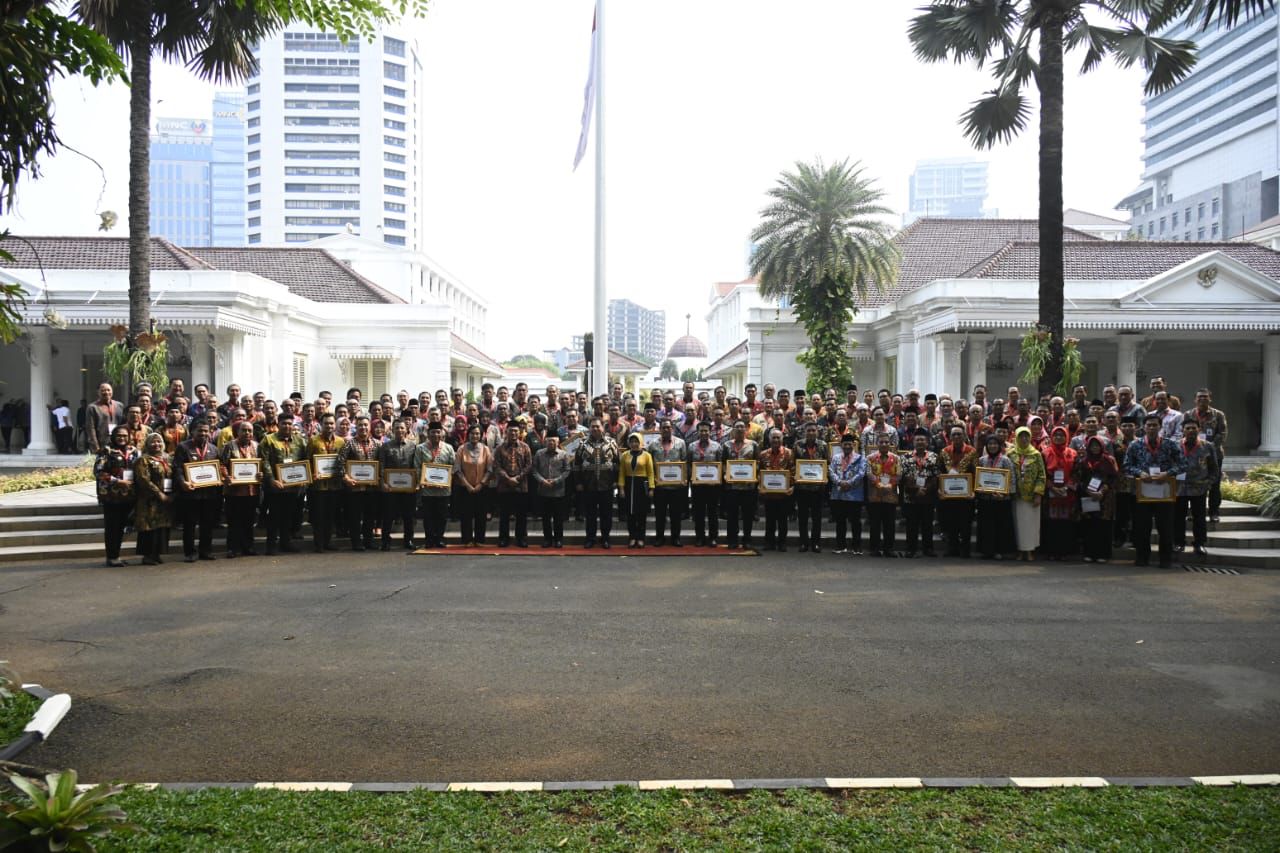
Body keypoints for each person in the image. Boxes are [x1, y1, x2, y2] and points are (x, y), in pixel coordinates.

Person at [1124, 414, 1186, 569]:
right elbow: (1126, 465)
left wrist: (1168, 473)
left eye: (1154, 425)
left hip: (1164, 491)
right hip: (1142, 491)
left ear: (1160, 427)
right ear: (1143, 428)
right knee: (1141, 527)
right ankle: (1142, 557)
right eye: (1149, 425)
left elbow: (1183, 464)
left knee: (1165, 527)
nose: (1151, 428)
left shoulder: (1170, 444)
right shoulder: (1135, 445)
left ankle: (1165, 559)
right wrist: (1139, 473)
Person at [172, 420, 220, 562]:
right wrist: (182, 482)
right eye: (200, 431)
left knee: (207, 523)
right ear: (192, 431)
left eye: (206, 431)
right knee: (190, 524)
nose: (203, 433)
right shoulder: (183, 447)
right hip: (190, 493)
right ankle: (190, 552)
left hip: (209, 493)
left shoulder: (213, 449)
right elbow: (177, 468)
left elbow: (218, 468)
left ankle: (206, 551)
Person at [261, 418, 307, 555]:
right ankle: (271, 546)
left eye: (289, 424)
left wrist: (305, 477)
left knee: (288, 516)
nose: (287, 426)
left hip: (293, 486)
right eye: (284, 423)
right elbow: (265, 461)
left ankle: (285, 543)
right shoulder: (268, 440)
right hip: (275, 487)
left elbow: (305, 459)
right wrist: (272, 480)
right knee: (274, 516)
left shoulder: (300, 440)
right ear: (278, 424)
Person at [94, 425, 137, 567]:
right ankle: (111, 556)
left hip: (129, 496)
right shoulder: (106, 451)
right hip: (111, 496)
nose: (122, 438)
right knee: (112, 527)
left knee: (122, 527)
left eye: (125, 435)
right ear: (113, 436)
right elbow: (98, 472)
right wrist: (117, 481)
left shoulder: (134, 451)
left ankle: (116, 555)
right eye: (119, 435)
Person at [1175, 420, 1217, 558]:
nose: (1191, 430)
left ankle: (1199, 543)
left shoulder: (1208, 446)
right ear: (1183, 430)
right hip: (1179, 488)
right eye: (1188, 428)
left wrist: (1208, 483)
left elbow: (1214, 468)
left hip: (1199, 488)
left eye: (1194, 428)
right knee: (1178, 517)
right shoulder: (1175, 445)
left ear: (1199, 429)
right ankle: (1178, 542)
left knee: (1199, 518)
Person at [1074, 435, 1118, 563]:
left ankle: (1103, 554)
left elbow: (1114, 478)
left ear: (1102, 446)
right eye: (1092, 445)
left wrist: (1102, 491)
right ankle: (1089, 553)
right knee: (1089, 526)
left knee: (1103, 526)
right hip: (1087, 496)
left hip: (1104, 499)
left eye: (1097, 445)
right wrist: (1087, 491)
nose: (1095, 448)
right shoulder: (1083, 461)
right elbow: (1078, 478)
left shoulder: (1109, 460)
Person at [219, 421, 260, 558]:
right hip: (234, 491)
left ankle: (248, 547)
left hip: (252, 490)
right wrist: (226, 476)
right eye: (244, 430)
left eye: (249, 430)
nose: (247, 433)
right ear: (238, 432)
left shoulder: (257, 446)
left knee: (249, 521)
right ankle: (232, 548)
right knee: (234, 521)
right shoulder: (229, 446)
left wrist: (261, 474)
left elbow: (261, 464)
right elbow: (222, 465)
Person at [132, 432, 174, 565]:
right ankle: (147, 555)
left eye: (159, 442)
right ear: (147, 444)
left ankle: (157, 554)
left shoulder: (167, 458)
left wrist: (172, 495)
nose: (157, 444)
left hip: (166, 500)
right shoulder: (143, 460)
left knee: (161, 528)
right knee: (149, 528)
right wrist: (159, 494)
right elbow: (144, 480)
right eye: (153, 442)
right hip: (149, 500)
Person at [376, 419, 418, 551]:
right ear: (392, 430)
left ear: (406, 430)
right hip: (390, 487)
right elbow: (381, 466)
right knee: (388, 515)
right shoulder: (385, 446)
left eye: (402, 428)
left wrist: (416, 484)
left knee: (408, 516)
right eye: (397, 428)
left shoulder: (413, 446)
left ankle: (408, 540)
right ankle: (385, 541)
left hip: (408, 488)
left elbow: (416, 466)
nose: (399, 430)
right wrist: (382, 483)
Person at [1186, 389, 1227, 522]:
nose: (1202, 399)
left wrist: (1208, 449)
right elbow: (1183, 432)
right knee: (1193, 481)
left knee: (1214, 484)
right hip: (1193, 454)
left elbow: (1222, 433)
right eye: (1199, 397)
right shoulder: (1189, 414)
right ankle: (1193, 511)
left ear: (1210, 399)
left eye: (1205, 397)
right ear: (1195, 400)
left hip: (1214, 455)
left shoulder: (1218, 414)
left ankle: (1214, 512)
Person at [306, 413, 346, 552]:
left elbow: (344, 462)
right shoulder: (313, 440)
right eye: (326, 423)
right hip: (318, 486)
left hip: (335, 485)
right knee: (318, 516)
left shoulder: (341, 441)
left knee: (331, 515)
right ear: (321, 425)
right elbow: (307, 460)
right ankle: (319, 544)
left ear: (335, 425)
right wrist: (312, 473)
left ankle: (328, 542)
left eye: (331, 423)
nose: (329, 426)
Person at [338, 415, 379, 551]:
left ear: (369, 427)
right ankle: (356, 542)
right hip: (354, 487)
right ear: (356, 427)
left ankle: (369, 541)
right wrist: (346, 478)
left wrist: (379, 477)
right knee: (354, 517)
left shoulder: (377, 444)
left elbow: (382, 463)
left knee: (370, 516)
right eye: (360, 425)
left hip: (372, 488)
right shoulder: (349, 443)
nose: (363, 427)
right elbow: (340, 462)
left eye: (366, 425)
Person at [975, 433, 1016, 560]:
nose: (992, 446)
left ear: (999, 446)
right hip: (985, 500)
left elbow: (1012, 480)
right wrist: (981, 491)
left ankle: (999, 550)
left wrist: (1004, 493)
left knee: (1000, 526)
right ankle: (986, 550)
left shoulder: (1006, 460)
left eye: (995, 444)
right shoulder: (982, 460)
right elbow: (978, 480)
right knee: (986, 527)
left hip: (1001, 500)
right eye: (990, 444)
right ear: (986, 446)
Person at [718, 421, 759, 550]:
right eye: (737, 427)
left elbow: (757, 463)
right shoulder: (726, 445)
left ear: (746, 430)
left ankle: (747, 539)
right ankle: (732, 540)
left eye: (742, 427)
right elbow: (723, 463)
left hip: (748, 487)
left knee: (747, 515)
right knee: (732, 515)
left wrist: (753, 474)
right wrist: (725, 474)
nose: (740, 429)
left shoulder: (753, 445)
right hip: (732, 487)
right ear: (733, 430)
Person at [937, 426, 977, 558]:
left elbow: (976, 473)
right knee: (951, 522)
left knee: (966, 523)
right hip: (949, 494)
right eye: (953, 435)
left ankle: (965, 549)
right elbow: (940, 472)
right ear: (950, 436)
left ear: (964, 435)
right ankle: (952, 548)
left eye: (959, 434)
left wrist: (974, 491)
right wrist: (940, 489)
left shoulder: (972, 451)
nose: (956, 437)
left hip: (966, 495)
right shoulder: (944, 452)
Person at [899, 429, 939, 557]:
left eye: (923, 440)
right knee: (911, 524)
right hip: (911, 496)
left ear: (927, 442)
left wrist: (926, 489)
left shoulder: (934, 457)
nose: (920, 442)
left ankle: (928, 548)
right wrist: (917, 489)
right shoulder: (905, 457)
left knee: (927, 524)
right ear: (913, 442)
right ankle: (911, 549)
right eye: (918, 440)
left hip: (928, 496)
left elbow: (936, 476)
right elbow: (903, 477)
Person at [415, 421, 455, 548]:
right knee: (428, 516)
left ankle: (440, 538)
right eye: (433, 432)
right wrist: (426, 481)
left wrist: (446, 480)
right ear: (428, 434)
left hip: (443, 489)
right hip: (427, 489)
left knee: (442, 516)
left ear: (442, 433)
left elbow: (453, 467)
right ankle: (429, 539)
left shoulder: (448, 448)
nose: (435, 434)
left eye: (438, 432)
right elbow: (417, 467)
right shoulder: (420, 448)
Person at [1009, 426, 1046, 561]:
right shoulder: (1011, 454)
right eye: (1021, 436)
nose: (1024, 439)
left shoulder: (1036, 454)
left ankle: (1029, 551)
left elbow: (1041, 475)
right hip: (1016, 495)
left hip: (1031, 497)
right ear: (1017, 437)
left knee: (1030, 525)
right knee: (1017, 525)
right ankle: (1019, 551)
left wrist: (1038, 494)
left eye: (1026, 436)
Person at [648, 418, 687, 546]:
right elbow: (650, 465)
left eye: (668, 427)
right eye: (663, 427)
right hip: (660, 486)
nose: (666, 429)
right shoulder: (653, 444)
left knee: (676, 514)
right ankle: (660, 537)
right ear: (660, 429)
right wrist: (652, 482)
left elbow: (685, 462)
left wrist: (684, 478)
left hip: (676, 487)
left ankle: (676, 538)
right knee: (660, 515)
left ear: (672, 429)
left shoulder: (681, 443)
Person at [1040, 426, 1078, 560]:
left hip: (1068, 494)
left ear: (1067, 437)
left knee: (1065, 524)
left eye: (1062, 435)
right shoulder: (1045, 453)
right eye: (1056, 435)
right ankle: (1051, 551)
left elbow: (1076, 473)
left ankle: (1064, 552)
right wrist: (1052, 487)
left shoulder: (1073, 453)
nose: (1058, 438)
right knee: (1052, 524)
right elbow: (1042, 473)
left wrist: (1066, 487)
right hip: (1051, 494)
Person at [494, 422, 533, 547]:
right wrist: (507, 478)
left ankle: (521, 538)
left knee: (521, 515)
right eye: (511, 431)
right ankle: (503, 538)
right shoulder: (500, 448)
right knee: (504, 515)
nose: (513, 433)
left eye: (516, 431)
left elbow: (529, 466)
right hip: (504, 487)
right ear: (506, 432)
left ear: (519, 432)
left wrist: (517, 478)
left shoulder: (525, 447)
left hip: (521, 486)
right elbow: (497, 466)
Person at [455, 423, 493, 546]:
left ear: (481, 435)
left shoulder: (486, 449)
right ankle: (467, 540)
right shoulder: (461, 449)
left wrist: (481, 484)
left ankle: (480, 540)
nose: (474, 435)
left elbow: (490, 469)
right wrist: (467, 485)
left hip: (482, 488)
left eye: (477, 433)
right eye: (472, 433)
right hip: (465, 488)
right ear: (468, 435)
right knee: (466, 515)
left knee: (481, 515)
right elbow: (457, 470)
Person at [793, 423, 828, 552]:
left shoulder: (823, 445)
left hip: (817, 488)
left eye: (814, 430)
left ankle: (816, 543)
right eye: (809, 430)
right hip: (802, 488)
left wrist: (824, 478)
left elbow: (826, 464)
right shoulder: (797, 445)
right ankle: (803, 542)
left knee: (817, 518)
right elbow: (793, 464)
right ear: (804, 432)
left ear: (817, 432)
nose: (811, 432)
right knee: (802, 517)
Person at [828, 435, 866, 555]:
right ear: (841, 445)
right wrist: (839, 482)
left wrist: (849, 483)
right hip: (838, 494)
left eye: (850, 444)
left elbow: (861, 473)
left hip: (854, 495)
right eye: (845, 444)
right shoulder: (835, 458)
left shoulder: (861, 458)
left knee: (855, 522)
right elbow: (830, 471)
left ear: (854, 445)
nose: (848, 446)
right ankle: (840, 546)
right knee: (840, 521)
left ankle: (857, 547)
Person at [758, 429, 794, 552]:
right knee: (770, 520)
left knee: (783, 520)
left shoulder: (789, 453)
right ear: (769, 439)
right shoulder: (763, 454)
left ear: (782, 439)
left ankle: (782, 542)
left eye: (778, 438)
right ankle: (769, 542)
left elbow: (793, 471)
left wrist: (792, 487)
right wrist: (759, 486)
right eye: (773, 438)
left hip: (784, 494)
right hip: (769, 494)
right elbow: (758, 472)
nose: (776, 440)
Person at [532, 434, 571, 547]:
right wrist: (542, 481)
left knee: (558, 518)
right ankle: (547, 539)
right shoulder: (539, 454)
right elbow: (534, 470)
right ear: (545, 442)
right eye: (549, 441)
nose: (551, 443)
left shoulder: (563, 454)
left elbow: (567, 470)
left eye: (554, 441)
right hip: (543, 490)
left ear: (558, 442)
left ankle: (559, 539)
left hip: (558, 491)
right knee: (546, 518)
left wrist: (556, 481)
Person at [865, 432, 899, 558]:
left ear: (890, 444)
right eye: (881, 442)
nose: (884, 444)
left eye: (886, 442)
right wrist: (879, 484)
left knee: (889, 524)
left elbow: (898, 474)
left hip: (891, 495)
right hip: (875, 494)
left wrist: (890, 485)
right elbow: (868, 473)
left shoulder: (896, 458)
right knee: (875, 524)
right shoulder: (870, 458)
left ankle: (889, 549)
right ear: (877, 444)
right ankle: (874, 548)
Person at [618, 432, 656, 548]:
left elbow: (650, 473)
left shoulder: (647, 455)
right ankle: (632, 537)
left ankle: (640, 537)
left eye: (636, 441)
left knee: (641, 514)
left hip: (642, 487)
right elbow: (622, 473)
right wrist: (621, 488)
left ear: (640, 442)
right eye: (632, 441)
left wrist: (651, 488)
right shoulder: (625, 455)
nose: (634, 444)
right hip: (629, 486)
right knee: (630, 515)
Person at [687, 421, 722, 547]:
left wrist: (717, 479)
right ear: (697, 432)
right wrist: (694, 477)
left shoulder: (717, 446)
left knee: (713, 512)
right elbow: (689, 464)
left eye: (706, 430)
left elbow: (720, 464)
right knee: (699, 513)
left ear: (710, 432)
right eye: (701, 430)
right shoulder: (691, 447)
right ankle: (699, 537)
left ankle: (713, 537)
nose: (704, 433)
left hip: (712, 486)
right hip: (697, 486)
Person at [86, 382, 125, 453]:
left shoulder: (119, 405)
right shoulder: (93, 407)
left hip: (118, 442)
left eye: (108, 390)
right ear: (98, 392)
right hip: (101, 443)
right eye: (103, 390)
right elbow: (91, 428)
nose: (106, 392)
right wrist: (96, 447)